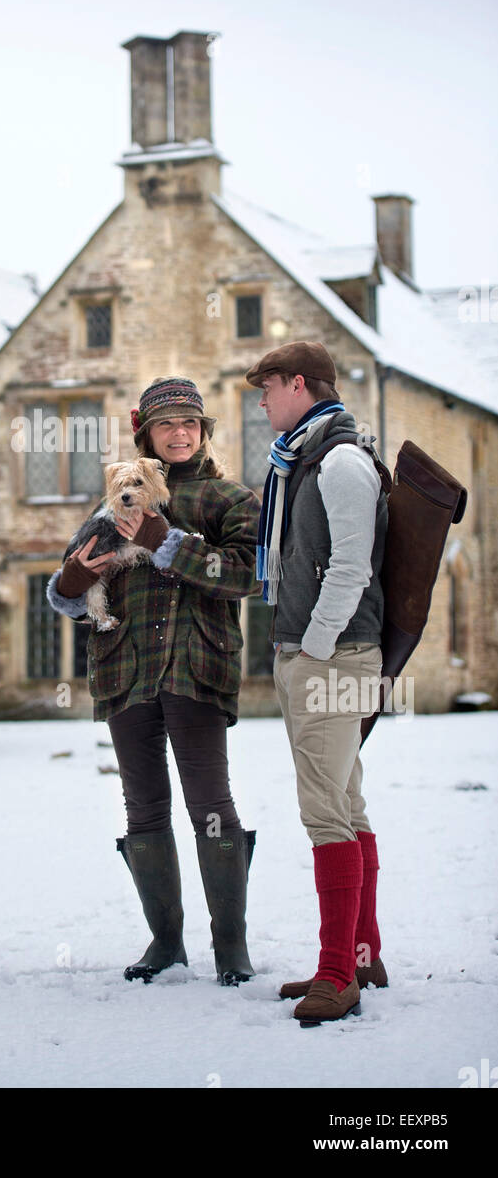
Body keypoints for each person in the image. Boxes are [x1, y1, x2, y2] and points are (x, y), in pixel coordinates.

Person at [47, 377, 262, 985]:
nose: (179, 434)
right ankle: (166, 942)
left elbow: (246, 576)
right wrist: (67, 583)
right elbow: (69, 586)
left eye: (190, 424)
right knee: (143, 808)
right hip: (124, 668)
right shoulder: (114, 502)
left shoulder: (228, 499)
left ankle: (231, 949)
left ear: (203, 432)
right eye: (166, 425)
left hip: (199, 665)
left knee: (211, 806)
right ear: (146, 435)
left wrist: (165, 542)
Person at [245, 341, 388, 1025]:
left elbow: (351, 565)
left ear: (298, 384)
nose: (262, 401)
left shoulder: (338, 461)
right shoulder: (304, 459)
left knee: (323, 813)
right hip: (319, 654)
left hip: (332, 657)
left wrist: (313, 647)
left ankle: (338, 975)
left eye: (266, 388)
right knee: (346, 802)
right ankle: (363, 954)